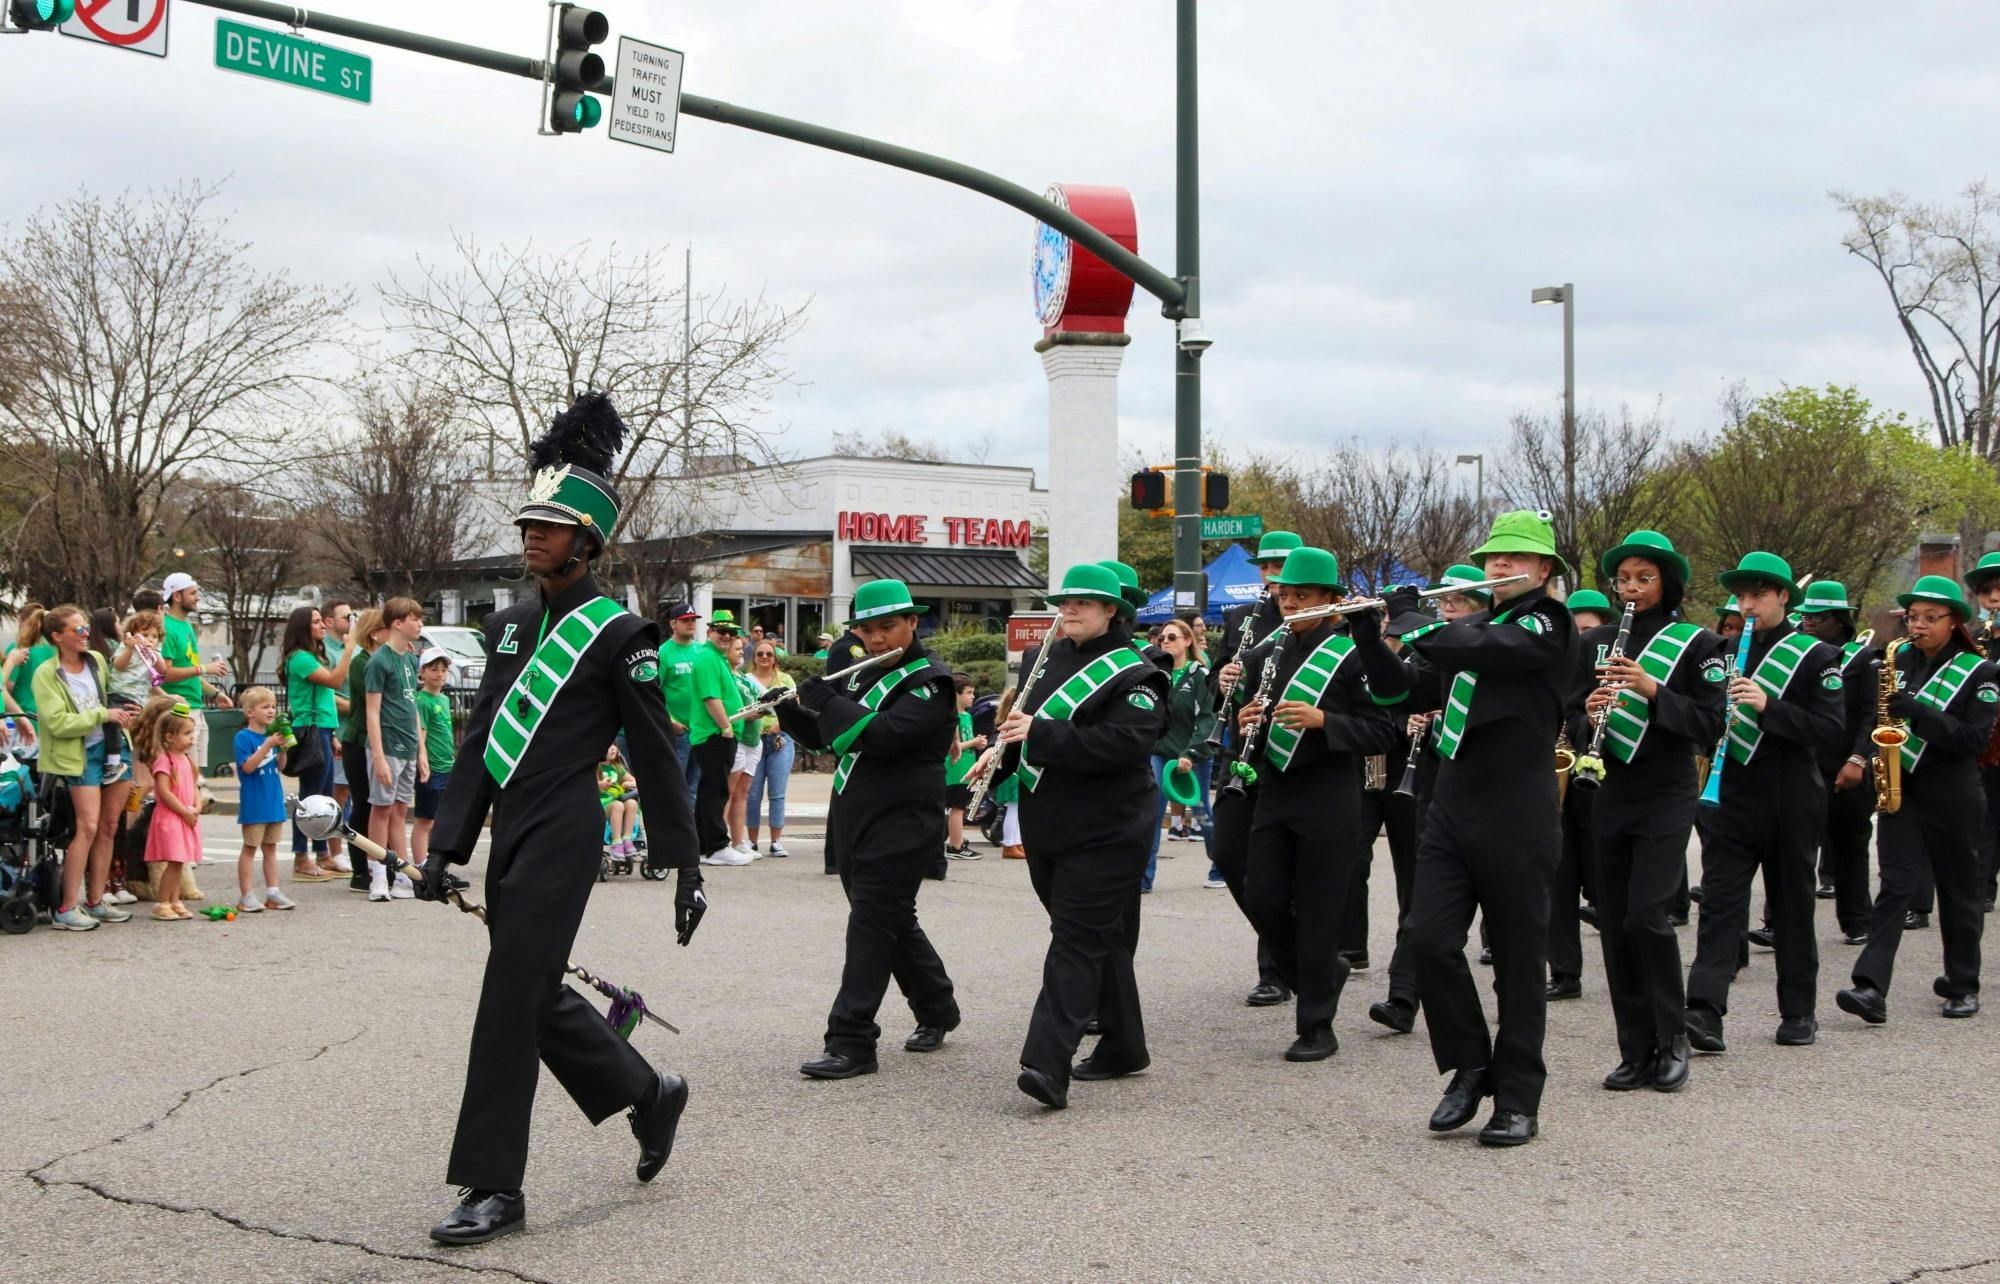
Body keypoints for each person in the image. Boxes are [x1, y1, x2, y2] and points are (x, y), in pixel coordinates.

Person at [418, 390, 703, 1247]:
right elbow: (477, 748)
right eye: (528, 525)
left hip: (567, 833)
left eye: (549, 526)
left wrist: (685, 865)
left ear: (588, 541)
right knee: (535, 995)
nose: (532, 536)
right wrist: (445, 844)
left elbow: (656, 753)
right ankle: (651, 1096)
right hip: (512, 833)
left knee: (508, 1000)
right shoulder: (506, 629)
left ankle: (493, 1186)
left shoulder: (622, 636)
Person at [1357, 512, 1578, 1146]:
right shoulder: (1469, 627)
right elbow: (1400, 693)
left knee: (1515, 960)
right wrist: (1371, 638)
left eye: (1514, 559)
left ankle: (1518, 1097)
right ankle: (1470, 1064)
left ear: (1542, 570)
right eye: (1492, 559)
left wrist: (1421, 624)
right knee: (1427, 939)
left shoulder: (1547, 622)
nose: (1500, 568)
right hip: (1451, 804)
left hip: (1518, 809)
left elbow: (1493, 653)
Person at [996, 563, 1168, 1110]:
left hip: (1109, 828)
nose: (1068, 612)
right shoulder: (1040, 659)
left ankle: (1046, 1065)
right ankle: (1124, 1047)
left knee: (1074, 940)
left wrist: (1040, 734)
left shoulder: (1140, 672)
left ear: (1112, 611)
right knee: (1102, 940)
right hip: (1049, 823)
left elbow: (1125, 744)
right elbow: (1023, 732)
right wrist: (997, 760)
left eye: (1083, 604)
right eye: (1064, 603)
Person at [778, 577, 961, 1079]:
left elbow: (886, 735)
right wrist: (790, 710)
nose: (877, 640)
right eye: (868, 630)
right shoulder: (862, 675)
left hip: (904, 821)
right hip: (856, 815)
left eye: (888, 628)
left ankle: (852, 1040)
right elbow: (828, 738)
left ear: (912, 623)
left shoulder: (930, 681)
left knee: (871, 924)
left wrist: (830, 700)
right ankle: (938, 1008)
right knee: (889, 919)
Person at [1567, 531, 1724, 1093]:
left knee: (1647, 917)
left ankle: (1673, 1037)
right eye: (1624, 579)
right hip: (1609, 788)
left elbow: (1711, 726)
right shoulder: (1595, 643)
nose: (1631, 588)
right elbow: (1570, 721)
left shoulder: (1700, 644)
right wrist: (1588, 714)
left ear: (1667, 583)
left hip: (1666, 789)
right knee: (1615, 924)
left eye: (1644, 578)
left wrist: (1654, 690)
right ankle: (1634, 1049)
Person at [1235, 548, 1400, 1061]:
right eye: (1285, 595)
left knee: (1320, 907)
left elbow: (1383, 731)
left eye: (1303, 596)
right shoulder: (1267, 652)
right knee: (1260, 895)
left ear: (1331, 601)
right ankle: (1323, 973)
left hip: (1330, 791)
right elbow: (1252, 727)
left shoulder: (1352, 656)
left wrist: (1324, 721)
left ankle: (1316, 1026)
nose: (1290, 604)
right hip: (1276, 788)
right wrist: (1244, 723)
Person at [1683, 552, 1845, 1054]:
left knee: (1792, 904)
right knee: (1720, 902)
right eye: (1742, 596)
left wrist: (1768, 706)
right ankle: (1704, 1010)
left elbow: (1830, 731)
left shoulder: (1816, 657)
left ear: (1782, 598)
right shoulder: (1722, 652)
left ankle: (1798, 1011)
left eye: (1758, 595)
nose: (1747, 605)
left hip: (1790, 795)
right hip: (1730, 794)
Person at [1836, 575, 1998, 1024]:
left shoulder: (1980, 672)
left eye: (1930, 618)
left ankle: (1962, 985)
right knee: (1895, 888)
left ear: (1954, 622)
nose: (1919, 625)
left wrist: (1921, 713)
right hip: (1902, 790)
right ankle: (1870, 986)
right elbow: (1879, 716)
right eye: (1913, 617)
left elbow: (1973, 739)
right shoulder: (1896, 658)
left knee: (1958, 890)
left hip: (1954, 794)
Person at [1207, 529, 1300, 1006]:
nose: (1272, 576)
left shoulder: (1324, 618)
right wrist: (1223, 681)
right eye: (1265, 567)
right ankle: (1290, 949)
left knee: (1279, 869)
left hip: (1296, 754)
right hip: (1241, 752)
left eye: (1281, 566)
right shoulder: (1243, 616)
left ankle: (1276, 969)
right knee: (1228, 853)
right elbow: (1218, 679)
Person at [1348, 586, 1432, 1030]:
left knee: (1414, 885)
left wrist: (1418, 720)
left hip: (1415, 779)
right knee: (1349, 858)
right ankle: (1350, 945)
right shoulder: (1364, 657)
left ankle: (1404, 992)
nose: (1388, 630)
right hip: (1371, 774)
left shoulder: (1427, 655)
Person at [33, 606, 139, 930]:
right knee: (88, 827)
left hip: (114, 747)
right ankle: (66, 908)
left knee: (109, 826)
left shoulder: (95, 660)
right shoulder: (47, 674)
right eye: (77, 630)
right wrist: (103, 715)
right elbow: (55, 722)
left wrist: (123, 709)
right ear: (57, 636)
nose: (84, 634)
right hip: (79, 754)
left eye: (86, 628)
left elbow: (113, 690)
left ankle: (95, 900)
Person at [1793, 581, 1879, 945]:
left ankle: (1857, 920)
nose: (1809, 623)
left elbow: (1870, 715)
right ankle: (1778, 922)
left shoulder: (1864, 659)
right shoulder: (1797, 655)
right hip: (1804, 762)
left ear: (1841, 621)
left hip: (1846, 764)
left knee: (1848, 845)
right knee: (1793, 847)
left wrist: (1858, 759)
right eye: (1805, 616)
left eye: (1818, 617)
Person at [280, 605, 356, 882]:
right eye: (315, 622)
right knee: (310, 797)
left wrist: (332, 733)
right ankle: (301, 856)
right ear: (303, 628)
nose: (321, 626)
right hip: (310, 731)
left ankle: (322, 853)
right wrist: (349, 649)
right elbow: (335, 680)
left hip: (322, 730)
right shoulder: (300, 658)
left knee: (324, 797)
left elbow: (324, 697)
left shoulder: (313, 656)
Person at [1144, 617, 1215, 892]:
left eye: (1172, 637)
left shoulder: (1200, 675)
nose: (1165, 642)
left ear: (1188, 640)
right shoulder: (1155, 675)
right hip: (1160, 753)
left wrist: (1191, 753)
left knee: (1201, 814)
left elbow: (1207, 719)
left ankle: (1222, 866)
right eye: (1162, 638)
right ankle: (1144, 879)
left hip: (1193, 754)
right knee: (1152, 812)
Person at [365, 597, 427, 902]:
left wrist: (422, 751)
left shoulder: (410, 658)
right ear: (397, 623)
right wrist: (378, 757)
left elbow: (412, 704)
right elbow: (372, 711)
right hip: (387, 745)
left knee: (401, 809)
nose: (420, 624)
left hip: (408, 746)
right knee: (382, 808)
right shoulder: (379, 661)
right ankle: (377, 875)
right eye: (414, 619)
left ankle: (402, 875)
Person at [159, 572, 235, 806]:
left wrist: (215, 693)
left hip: (197, 708)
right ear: (177, 596)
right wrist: (204, 668)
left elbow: (190, 670)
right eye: (193, 593)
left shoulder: (187, 627)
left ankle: (191, 829)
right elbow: (165, 672)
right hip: (180, 709)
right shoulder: (168, 628)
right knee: (182, 777)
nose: (197, 598)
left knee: (196, 776)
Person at [231, 687, 296, 914]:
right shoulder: (244, 737)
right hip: (255, 803)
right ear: (250, 712)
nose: (271, 711)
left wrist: (282, 751)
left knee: (271, 849)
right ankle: (246, 895)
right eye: (265, 707)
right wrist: (267, 745)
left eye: (273, 706)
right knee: (250, 848)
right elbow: (247, 767)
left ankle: (273, 892)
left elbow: (280, 767)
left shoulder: (272, 736)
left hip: (273, 800)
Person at [138, 699, 202, 922]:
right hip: (171, 817)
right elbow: (163, 792)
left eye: (192, 732)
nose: (192, 738)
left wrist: (197, 807)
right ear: (169, 737)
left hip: (185, 816)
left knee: (179, 861)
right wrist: (184, 811)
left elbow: (194, 787)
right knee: (173, 861)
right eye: (187, 733)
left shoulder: (185, 760)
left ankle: (175, 900)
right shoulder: (164, 761)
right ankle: (163, 902)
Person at [693, 610, 748, 865]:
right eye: (721, 630)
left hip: (717, 733)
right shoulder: (707, 658)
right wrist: (725, 726)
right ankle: (716, 846)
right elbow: (710, 697)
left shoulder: (717, 658)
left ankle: (704, 845)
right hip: (714, 734)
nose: (727, 636)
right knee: (716, 790)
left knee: (710, 789)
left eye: (731, 632)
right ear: (710, 631)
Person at [339, 608, 387, 892]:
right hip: (358, 740)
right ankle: (360, 871)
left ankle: (381, 864)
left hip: (376, 739)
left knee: (379, 805)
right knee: (363, 803)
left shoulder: (381, 659)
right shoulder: (362, 662)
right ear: (373, 633)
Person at [1965, 551, 2000, 913]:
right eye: (1988, 592)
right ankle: (1983, 886)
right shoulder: (1974, 639)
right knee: (1985, 814)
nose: (1995, 599)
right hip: (1982, 738)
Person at [746, 638, 796, 857]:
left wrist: (780, 724)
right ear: (754, 658)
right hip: (753, 740)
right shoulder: (746, 680)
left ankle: (776, 841)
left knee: (777, 794)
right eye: (760, 654)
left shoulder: (785, 679)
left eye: (769, 654)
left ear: (775, 658)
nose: (765, 657)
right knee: (752, 795)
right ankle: (751, 841)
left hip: (780, 740)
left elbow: (795, 707)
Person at [412, 647, 456, 870]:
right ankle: (421, 866)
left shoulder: (445, 700)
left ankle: (437, 865)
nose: (439, 674)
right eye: (434, 669)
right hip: (433, 768)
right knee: (425, 819)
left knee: (440, 821)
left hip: (447, 766)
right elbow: (422, 734)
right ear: (422, 672)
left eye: (443, 669)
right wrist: (424, 762)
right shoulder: (422, 701)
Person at [322, 597, 356, 872]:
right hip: (339, 729)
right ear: (329, 621)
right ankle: (334, 851)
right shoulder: (325, 650)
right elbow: (328, 692)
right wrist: (358, 706)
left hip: (357, 729)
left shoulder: (351, 648)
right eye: (346, 617)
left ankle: (349, 846)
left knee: (355, 793)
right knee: (339, 792)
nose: (351, 621)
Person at [724, 634, 763, 858]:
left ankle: (739, 840)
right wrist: (748, 714)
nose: (741, 652)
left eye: (742, 649)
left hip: (753, 739)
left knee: (743, 792)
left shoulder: (743, 675)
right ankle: (721, 840)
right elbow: (728, 707)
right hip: (738, 737)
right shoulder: (726, 675)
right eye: (737, 649)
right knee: (728, 791)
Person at [659, 603, 703, 802]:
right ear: (673, 624)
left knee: (694, 789)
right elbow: (652, 693)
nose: (691, 623)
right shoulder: (663, 653)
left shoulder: (702, 651)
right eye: (686, 620)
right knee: (675, 788)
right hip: (678, 733)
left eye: (693, 619)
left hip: (700, 730)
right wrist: (669, 721)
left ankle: (691, 832)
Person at [944, 675, 985, 859]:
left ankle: (957, 840)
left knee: (960, 806)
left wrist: (977, 744)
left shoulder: (967, 715)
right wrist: (974, 742)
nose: (972, 697)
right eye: (968, 693)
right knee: (957, 807)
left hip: (967, 766)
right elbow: (954, 746)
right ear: (956, 694)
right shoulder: (952, 717)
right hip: (955, 769)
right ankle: (955, 846)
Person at [2, 604, 51, 755]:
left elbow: (6, 686)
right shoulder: (60, 649)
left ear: (24, 621)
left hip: (23, 722)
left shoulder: (18, 649)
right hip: (50, 721)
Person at [600, 744, 640, 857]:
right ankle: (616, 842)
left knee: (632, 803)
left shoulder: (617, 767)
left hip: (619, 800)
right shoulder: (595, 768)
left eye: (614, 745)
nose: (612, 748)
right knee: (618, 805)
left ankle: (627, 839)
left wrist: (630, 783)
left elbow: (636, 782)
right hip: (602, 803)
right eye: (608, 746)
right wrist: (600, 785)